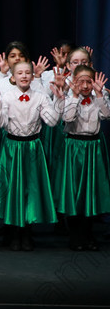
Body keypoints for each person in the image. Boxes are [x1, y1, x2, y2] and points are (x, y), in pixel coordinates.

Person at [0, 61, 64, 251]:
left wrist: (59, 100)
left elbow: (52, 121)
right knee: (13, 188)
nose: (24, 76)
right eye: (20, 73)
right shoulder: (6, 96)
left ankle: (27, 232)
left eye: (27, 73)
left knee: (31, 188)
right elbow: (0, 124)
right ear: (12, 77)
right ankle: (13, 232)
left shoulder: (40, 97)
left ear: (32, 76)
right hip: (13, 146)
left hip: (32, 147)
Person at [58, 64, 110, 250]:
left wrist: (100, 95)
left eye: (89, 81)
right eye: (81, 81)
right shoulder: (68, 98)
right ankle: (75, 236)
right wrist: (72, 96)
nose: (86, 85)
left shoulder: (98, 98)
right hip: (74, 147)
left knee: (90, 192)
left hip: (92, 147)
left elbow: (107, 114)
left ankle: (88, 234)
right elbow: (69, 118)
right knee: (74, 193)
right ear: (74, 82)